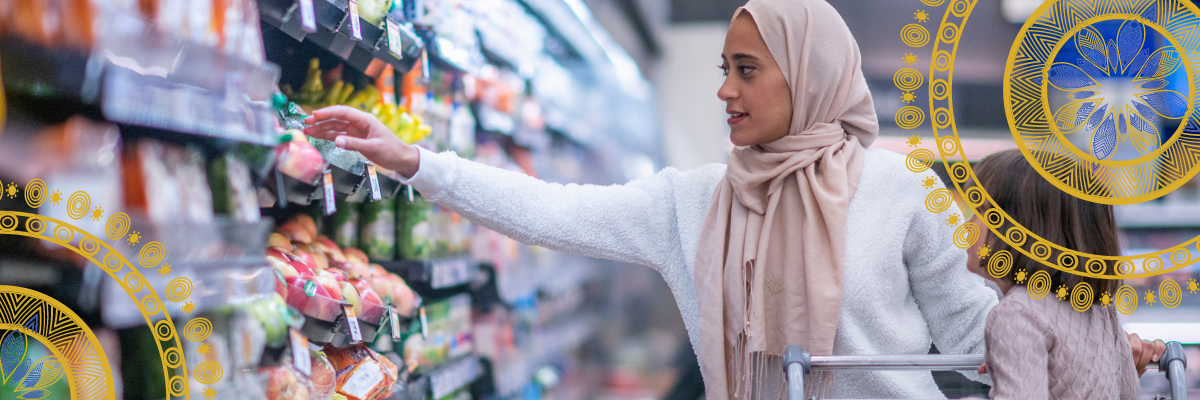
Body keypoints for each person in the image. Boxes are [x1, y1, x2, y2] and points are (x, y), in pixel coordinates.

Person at [304, 0, 1000, 398]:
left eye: (747, 71)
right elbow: (552, 211)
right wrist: (417, 161)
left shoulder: (904, 190)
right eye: (723, 69)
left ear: (809, 77)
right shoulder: (693, 203)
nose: (725, 90)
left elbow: (982, 344)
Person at [965, 149, 1165, 399]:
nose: (966, 225)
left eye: (980, 212)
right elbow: (1125, 393)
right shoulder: (1099, 308)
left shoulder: (1016, 314)